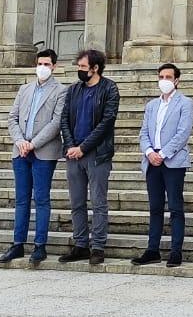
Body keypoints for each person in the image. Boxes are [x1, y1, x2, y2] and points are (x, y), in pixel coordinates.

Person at [0, 49, 67, 264]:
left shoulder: (61, 91)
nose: (42, 67)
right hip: (20, 151)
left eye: (47, 64)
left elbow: (56, 122)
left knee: (41, 198)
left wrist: (33, 143)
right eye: (40, 63)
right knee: (21, 199)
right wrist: (20, 141)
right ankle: (18, 243)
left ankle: (40, 245)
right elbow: (13, 117)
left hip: (43, 152)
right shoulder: (25, 89)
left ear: (54, 66)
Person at [59, 48, 120, 267]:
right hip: (73, 154)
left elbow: (106, 122)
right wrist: (70, 145)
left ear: (95, 68)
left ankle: (98, 246)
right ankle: (81, 244)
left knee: (98, 202)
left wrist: (83, 147)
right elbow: (64, 118)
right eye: (79, 66)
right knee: (76, 202)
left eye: (83, 67)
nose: (80, 70)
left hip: (97, 154)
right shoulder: (74, 90)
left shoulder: (109, 89)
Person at [133, 63, 193, 268]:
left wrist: (164, 153)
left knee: (175, 206)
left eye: (168, 77)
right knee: (155, 207)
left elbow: (183, 132)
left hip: (173, 161)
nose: (164, 80)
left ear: (176, 80)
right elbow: (143, 132)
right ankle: (153, 249)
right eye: (161, 77)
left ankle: (176, 250)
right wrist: (150, 152)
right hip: (152, 161)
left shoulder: (185, 103)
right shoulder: (152, 105)